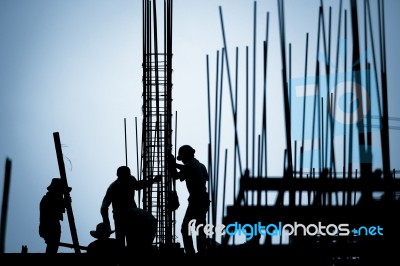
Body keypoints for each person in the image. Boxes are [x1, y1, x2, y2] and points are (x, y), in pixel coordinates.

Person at [100, 166, 161, 252]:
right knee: (123, 240)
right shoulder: (114, 186)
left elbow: (138, 185)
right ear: (119, 175)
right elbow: (104, 207)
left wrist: (153, 180)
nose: (126, 178)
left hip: (128, 216)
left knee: (129, 239)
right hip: (122, 217)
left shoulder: (128, 180)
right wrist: (107, 224)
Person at [168, 145, 210, 255]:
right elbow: (191, 172)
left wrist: (171, 165)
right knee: (200, 227)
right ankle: (202, 251)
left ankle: (191, 253)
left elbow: (176, 176)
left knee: (185, 228)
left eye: (183, 158)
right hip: (204, 199)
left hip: (196, 199)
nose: (183, 161)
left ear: (186, 155)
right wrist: (176, 165)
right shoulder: (201, 165)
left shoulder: (190, 165)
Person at [39, 178, 71, 253]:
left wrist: (65, 202)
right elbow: (55, 205)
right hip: (49, 226)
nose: (62, 194)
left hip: (51, 225)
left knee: (53, 247)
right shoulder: (47, 198)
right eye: (61, 191)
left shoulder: (52, 198)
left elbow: (59, 205)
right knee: (52, 246)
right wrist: (65, 202)